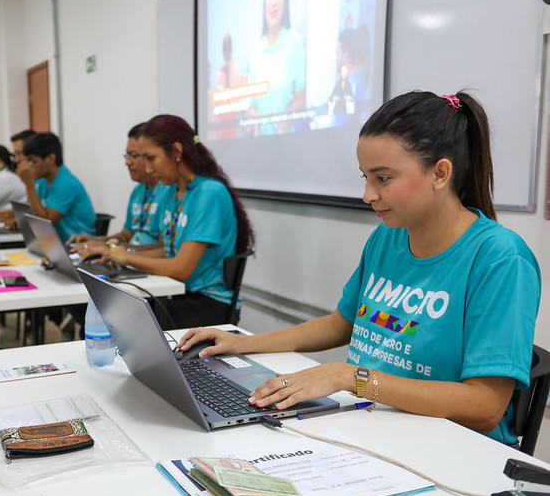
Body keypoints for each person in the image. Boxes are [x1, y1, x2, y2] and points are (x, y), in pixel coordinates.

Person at [179, 91, 541, 446]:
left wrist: (351, 377)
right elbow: (342, 323)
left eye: (382, 178)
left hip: (449, 449)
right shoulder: (388, 237)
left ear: (440, 173)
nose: (368, 194)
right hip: (373, 428)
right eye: (365, 177)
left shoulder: (500, 259)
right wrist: (244, 343)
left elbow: (485, 406)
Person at [84, 115, 255, 329]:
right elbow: (168, 249)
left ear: (176, 152)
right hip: (177, 291)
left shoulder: (208, 193)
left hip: (207, 301)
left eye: (151, 158)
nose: (147, 169)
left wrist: (128, 256)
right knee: (112, 311)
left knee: (120, 323)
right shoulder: (171, 191)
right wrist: (116, 252)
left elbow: (181, 268)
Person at [68, 123, 168, 248]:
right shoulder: (138, 191)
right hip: (130, 260)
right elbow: (126, 236)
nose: (127, 162)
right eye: (127, 156)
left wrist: (119, 251)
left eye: (134, 156)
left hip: (146, 263)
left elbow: (164, 248)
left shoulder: (168, 191)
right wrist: (97, 242)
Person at [18, 132, 96, 242]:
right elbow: (33, 209)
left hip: (76, 245)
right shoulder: (43, 181)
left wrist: (29, 185)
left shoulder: (66, 183)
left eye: (33, 161)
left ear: (51, 158)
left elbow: (46, 222)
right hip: (53, 244)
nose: (29, 166)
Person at [247, 0, 306, 135]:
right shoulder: (256, 50)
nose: (273, 3)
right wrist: (254, 121)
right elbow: (251, 106)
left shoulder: (294, 42)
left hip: (286, 142)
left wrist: (285, 121)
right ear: (264, 5)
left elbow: (300, 99)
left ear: (285, 3)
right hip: (260, 144)